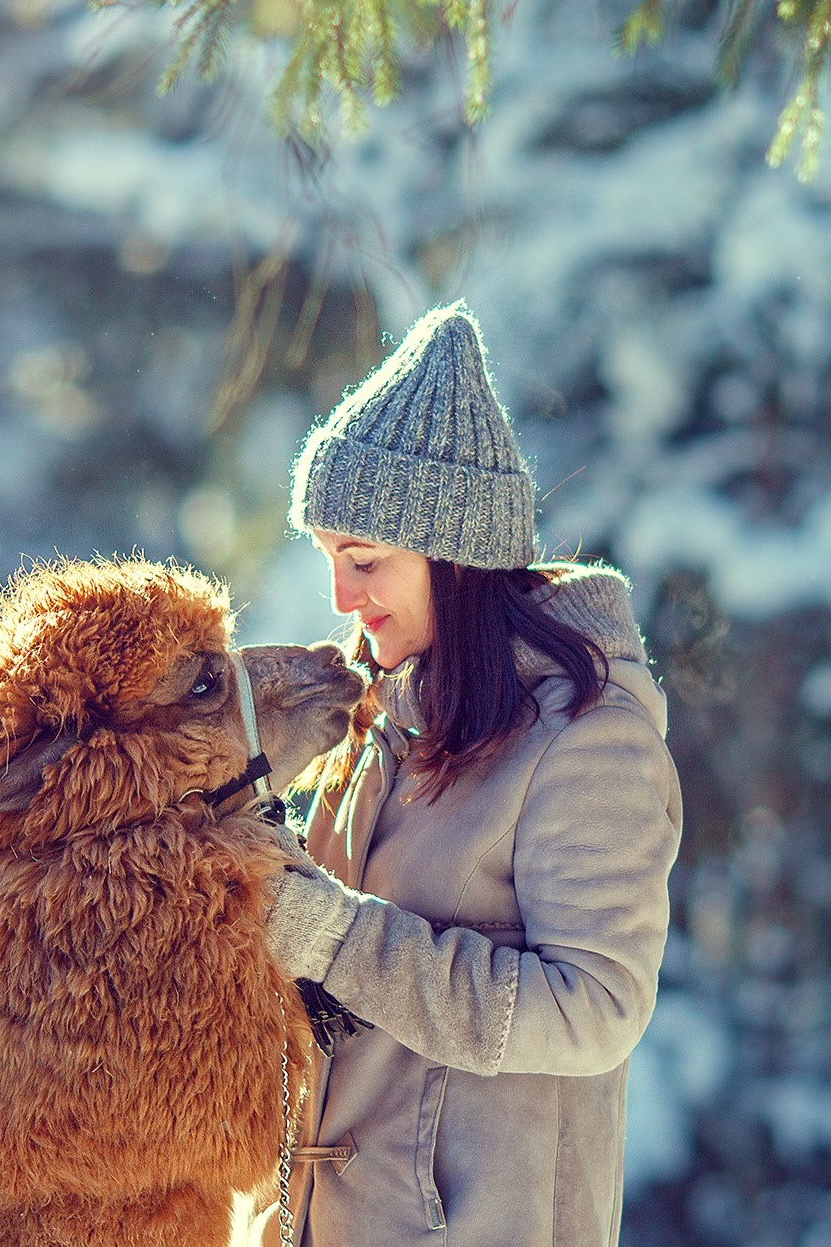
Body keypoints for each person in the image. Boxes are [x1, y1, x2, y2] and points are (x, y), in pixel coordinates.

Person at [263, 301, 683, 1247]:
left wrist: (337, 937)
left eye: (365, 560)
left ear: (454, 559)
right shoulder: (372, 726)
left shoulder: (588, 743)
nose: (341, 597)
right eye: (330, 559)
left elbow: (596, 1010)